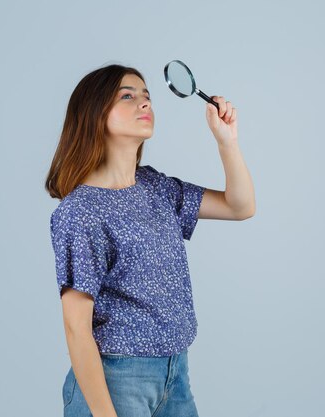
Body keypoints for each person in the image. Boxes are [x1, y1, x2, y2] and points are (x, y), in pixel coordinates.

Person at [44, 64, 255, 417]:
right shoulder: (81, 210)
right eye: (128, 96)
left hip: (176, 374)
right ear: (95, 114)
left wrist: (227, 141)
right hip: (117, 379)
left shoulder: (155, 187)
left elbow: (240, 206)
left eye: (147, 96)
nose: (145, 103)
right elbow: (76, 327)